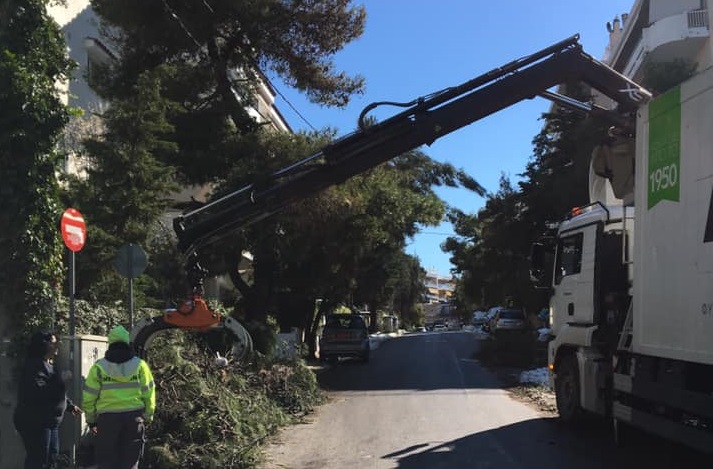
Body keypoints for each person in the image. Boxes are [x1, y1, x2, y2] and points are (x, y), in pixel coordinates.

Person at [82, 326, 155, 469]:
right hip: (134, 420)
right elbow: (149, 393)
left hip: (107, 420)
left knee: (107, 462)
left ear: (110, 343)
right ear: (127, 343)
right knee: (130, 462)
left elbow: (89, 397)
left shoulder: (99, 367)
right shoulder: (140, 365)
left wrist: (91, 420)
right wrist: (148, 416)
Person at [13, 331, 83, 469]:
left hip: (50, 422)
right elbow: (40, 393)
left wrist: (69, 405)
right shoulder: (34, 366)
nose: (57, 345)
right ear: (43, 345)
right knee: (39, 460)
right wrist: (62, 383)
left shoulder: (48, 366)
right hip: (36, 421)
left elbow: (55, 391)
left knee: (50, 458)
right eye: (53, 342)